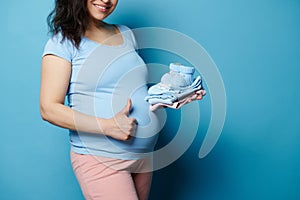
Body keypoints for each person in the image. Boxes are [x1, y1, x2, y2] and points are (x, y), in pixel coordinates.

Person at [40, 0, 205, 199]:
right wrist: (107, 126)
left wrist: (168, 97)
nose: (106, 0)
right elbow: (49, 109)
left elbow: (132, 90)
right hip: (101, 158)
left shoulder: (125, 33)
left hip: (143, 157)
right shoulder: (63, 42)